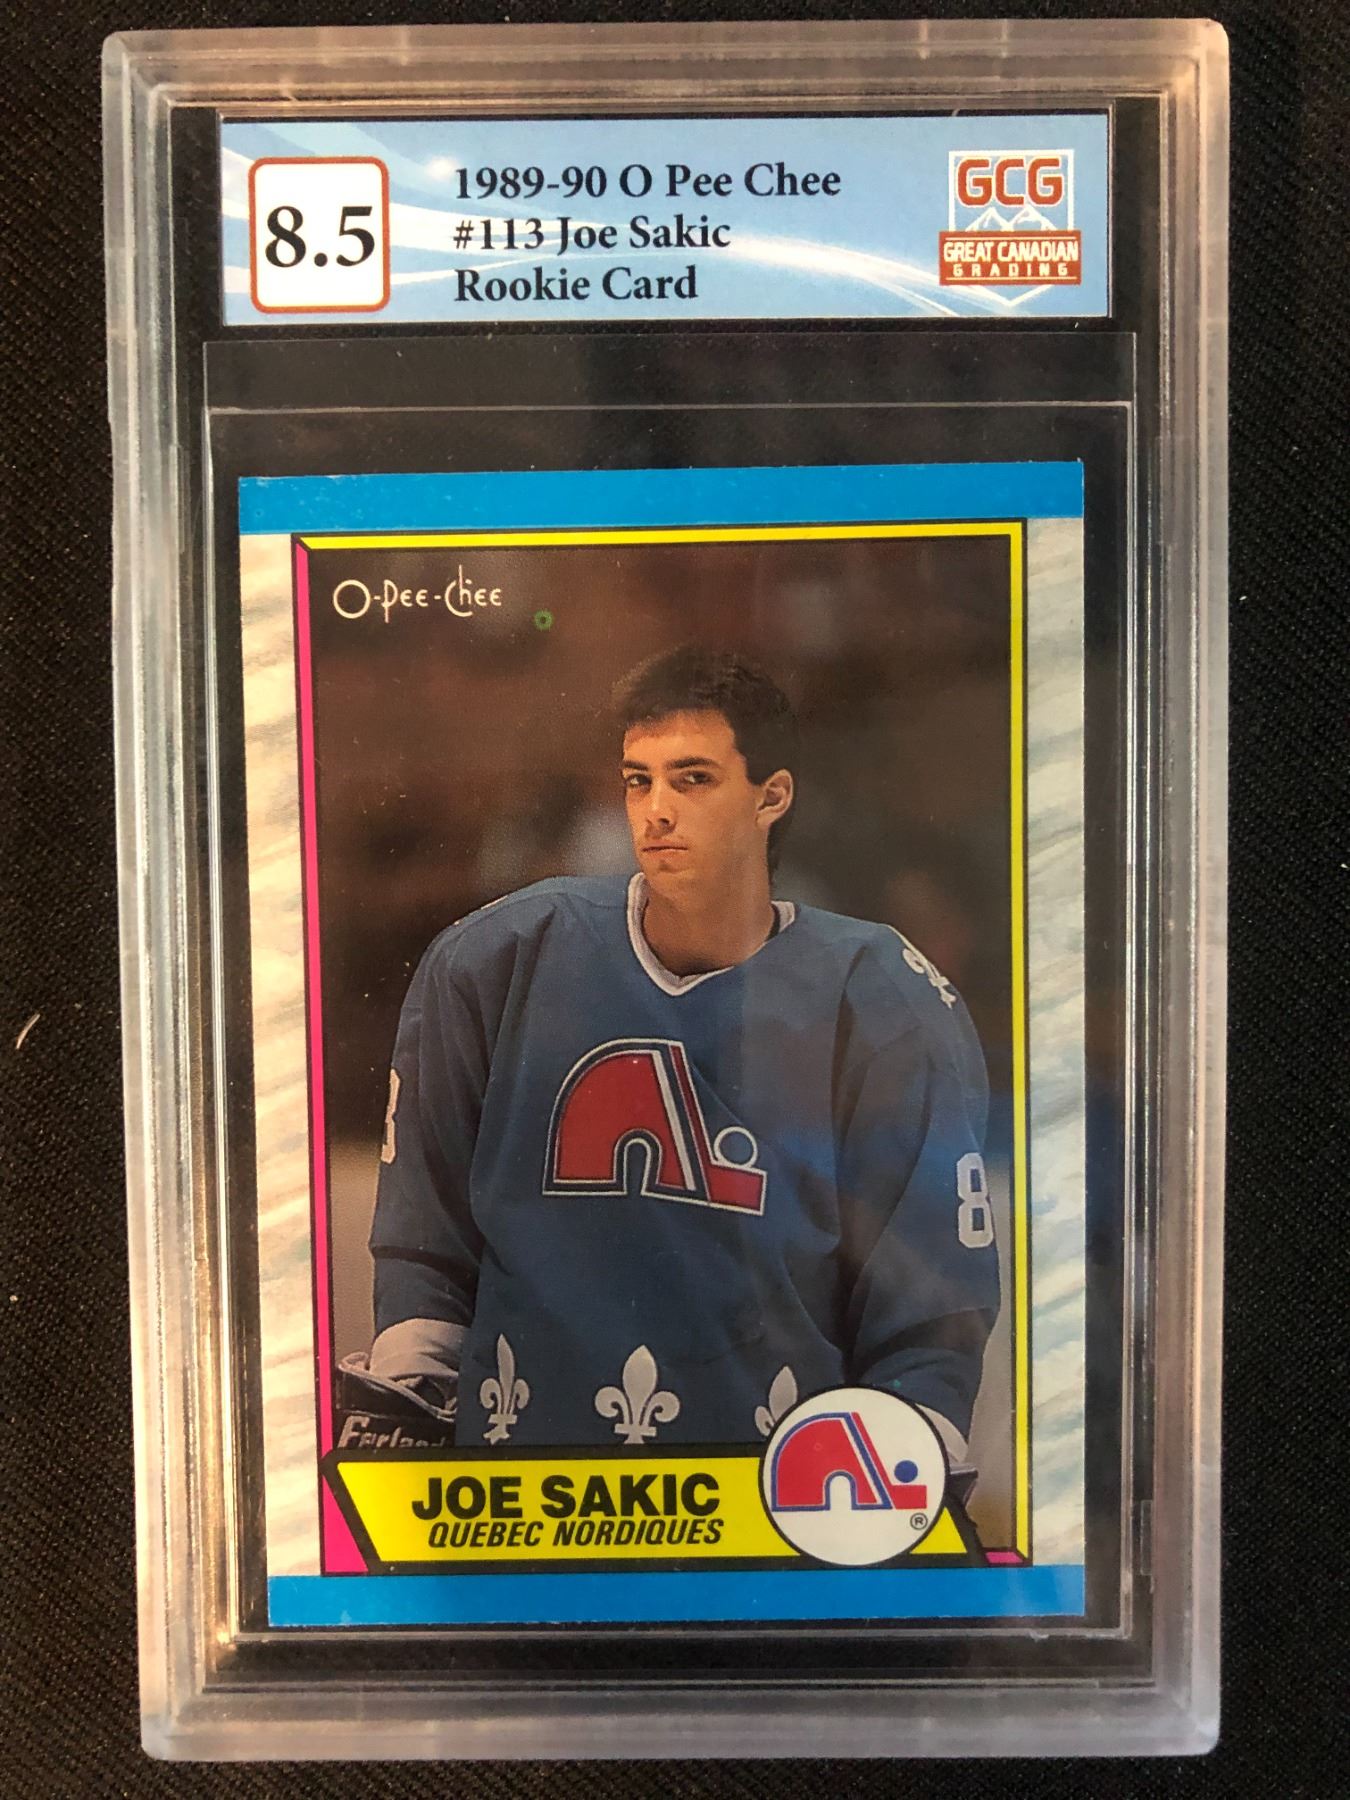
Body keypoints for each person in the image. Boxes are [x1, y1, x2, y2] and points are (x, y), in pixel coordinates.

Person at [353, 646, 998, 1458]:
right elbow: (427, 1239)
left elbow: (929, 1302)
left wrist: (900, 1453)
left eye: (692, 779)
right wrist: (416, 1400)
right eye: (638, 780)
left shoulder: (880, 995)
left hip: (776, 1487)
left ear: (772, 796)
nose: (656, 810)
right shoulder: (497, 960)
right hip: (527, 1479)